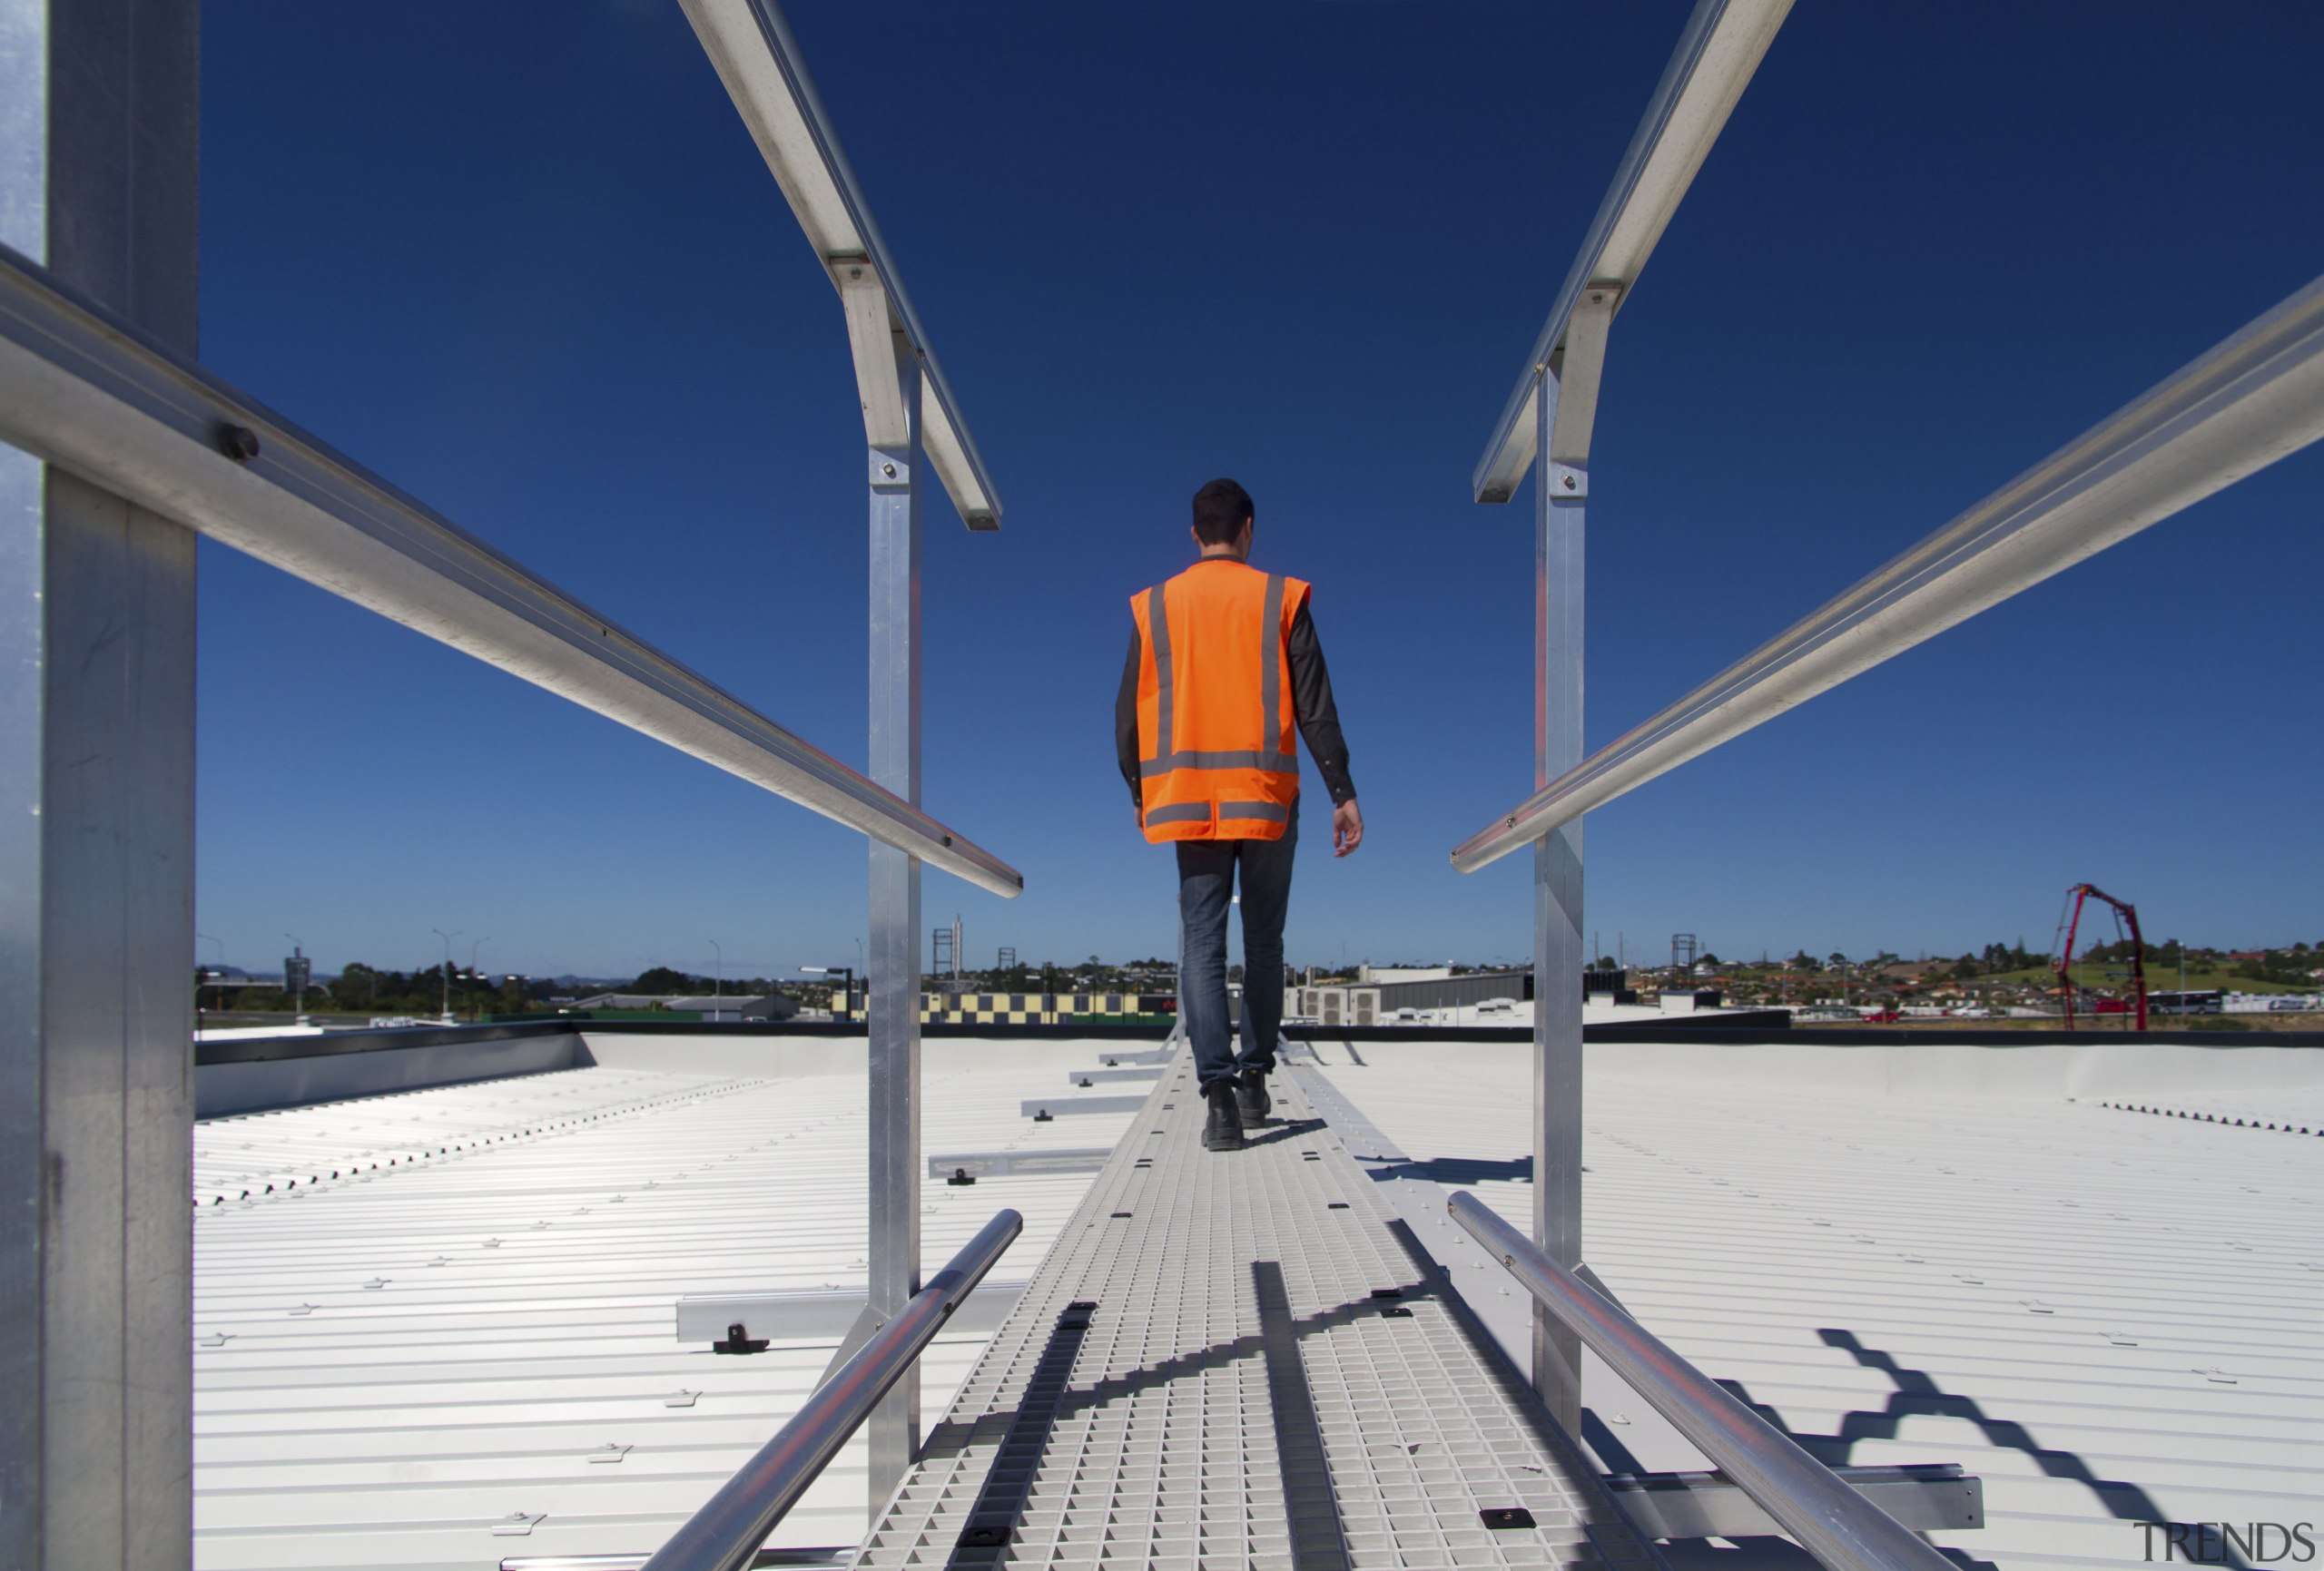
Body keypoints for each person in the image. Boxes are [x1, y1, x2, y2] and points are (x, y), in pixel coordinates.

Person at [1117, 477, 1363, 1151]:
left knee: (1201, 942)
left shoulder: (1157, 604)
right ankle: (1256, 1079)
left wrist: (1141, 791)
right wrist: (1342, 789)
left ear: (1194, 534)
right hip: (1267, 797)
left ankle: (1218, 1100)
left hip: (1187, 798)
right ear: (1249, 529)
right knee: (1264, 940)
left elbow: (1126, 715)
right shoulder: (1280, 598)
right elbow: (1314, 703)